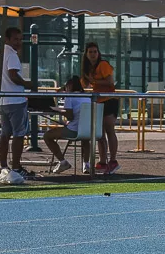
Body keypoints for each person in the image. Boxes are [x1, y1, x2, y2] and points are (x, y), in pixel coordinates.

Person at [0, 26, 32, 182]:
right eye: (15, 39)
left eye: (20, 39)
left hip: (3, 101)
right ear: (7, 40)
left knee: (4, 134)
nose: (18, 42)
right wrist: (28, 84)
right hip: (16, 100)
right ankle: (17, 167)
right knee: (19, 134)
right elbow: (13, 75)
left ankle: (4, 166)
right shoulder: (12, 55)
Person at [81, 42, 120, 174]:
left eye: (95, 52)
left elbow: (109, 82)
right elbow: (84, 84)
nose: (93, 54)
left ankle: (113, 161)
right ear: (86, 54)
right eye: (90, 52)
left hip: (109, 100)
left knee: (109, 130)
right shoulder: (87, 68)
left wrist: (93, 81)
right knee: (99, 133)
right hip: (97, 101)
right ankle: (102, 161)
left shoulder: (103, 65)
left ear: (98, 53)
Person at [43, 76, 92, 174]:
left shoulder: (70, 97)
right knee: (85, 139)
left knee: (47, 136)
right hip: (88, 130)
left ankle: (62, 161)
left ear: (69, 86)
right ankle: (86, 164)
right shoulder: (88, 97)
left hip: (73, 131)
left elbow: (70, 116)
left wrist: (58, 110)